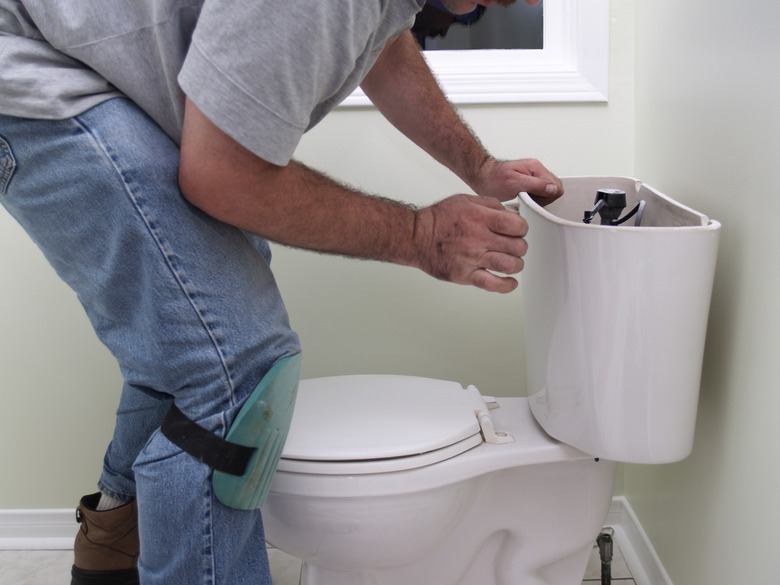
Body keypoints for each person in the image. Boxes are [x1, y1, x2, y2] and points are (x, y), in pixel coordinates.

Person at [0, 0, 561, 584]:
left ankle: (115, 545)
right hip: (33, 71)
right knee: (228, 358)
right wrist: (422, 236)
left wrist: (479, 166)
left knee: (195, 322)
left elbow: (383, 40)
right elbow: (223, 174)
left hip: (71, 61)